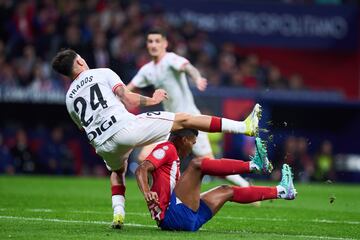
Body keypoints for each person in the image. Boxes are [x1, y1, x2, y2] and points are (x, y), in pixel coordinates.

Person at [51, 49, 261, 229]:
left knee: (117, 171)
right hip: (126, 128)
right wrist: (153, 99)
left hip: (103, 144)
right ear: (80, 61)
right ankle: (244, 126)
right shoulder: (102, 73)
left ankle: (118, 214)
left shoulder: (69, 99)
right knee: (185, 119)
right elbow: (127, 97)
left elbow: (83, 126)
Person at [128, 29, 251, 188]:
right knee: (144, 156)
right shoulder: (147, 70)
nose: (153, 45)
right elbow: (127, 88)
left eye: (157, 41)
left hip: (191, 121)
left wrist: (197, 77)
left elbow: (188, 68)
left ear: (165, 43)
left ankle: (245, 186)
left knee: (211, 165)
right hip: (170, 122)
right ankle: (162, 195)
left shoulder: (171, 59)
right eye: (150, 41)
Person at [136, 129, 297, 231]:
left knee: (226, 190)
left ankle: (282, 191)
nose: (192, 147)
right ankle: (254, 165)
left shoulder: (173, 158)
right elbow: (141, 169)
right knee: (197, 164)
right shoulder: (167, 148)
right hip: (173, 216)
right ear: (184, 140)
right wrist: (147, 192)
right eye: (192, 142)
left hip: (186, 220)